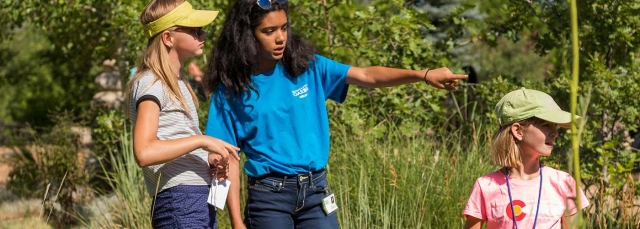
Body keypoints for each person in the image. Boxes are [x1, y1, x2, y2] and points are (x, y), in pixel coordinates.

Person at [203, 0, 467, 228]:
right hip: (269, 196)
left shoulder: (306, 67)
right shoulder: (231, 89)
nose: (280, 37)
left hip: (317, 191)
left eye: (284, 28)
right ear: (247, 36)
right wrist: (237, 222)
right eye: (269, 31)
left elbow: (366, 75)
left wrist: (423, 75)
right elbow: (229, 157)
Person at [126, 1, 240, 228]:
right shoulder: (151, 83)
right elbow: (144, 152)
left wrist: (206, 159)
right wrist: (202, 140)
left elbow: (172, 141)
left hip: (195, 201)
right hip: (179, 202)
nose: (202, 34)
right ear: (168, 38)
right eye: (194, 30)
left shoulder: (180, 84)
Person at [462, 88, 590, 229]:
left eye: (555, 126)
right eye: (546, 125)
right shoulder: (486, 186)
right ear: (518, 131)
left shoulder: (564, 183)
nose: (555, 133)